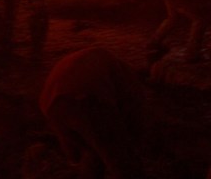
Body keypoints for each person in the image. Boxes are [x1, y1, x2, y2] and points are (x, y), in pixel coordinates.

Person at [39, 47, 146, 179]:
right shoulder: (127, 75)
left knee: (90, 150)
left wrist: (73, 156)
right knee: (121, 160)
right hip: (84, 99)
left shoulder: (99, 58)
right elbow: (133, 111)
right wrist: (132, 143)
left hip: (50, 105)